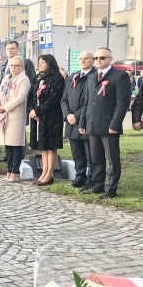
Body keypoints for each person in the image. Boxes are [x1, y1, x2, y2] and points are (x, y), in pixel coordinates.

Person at [79, 47, 131, 198]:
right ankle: (97, 185)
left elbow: (122, 103)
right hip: (93, 124)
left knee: (112, 159)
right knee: (96, 158)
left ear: (110, 59)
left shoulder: (119, 76)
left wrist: (115, 124)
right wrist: (83, 123)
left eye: (102, 58)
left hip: (109, 125)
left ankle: (111, 189)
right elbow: (87, 103)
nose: (99, 60)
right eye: (96, 58)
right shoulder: (91, 77)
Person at [28, 54, 65, 186]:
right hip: (37, 117)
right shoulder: (37, 78)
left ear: (50, 63)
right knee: (43, 146)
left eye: (43, 62)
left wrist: (38, 110)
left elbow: (54, 99)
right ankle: (43, 172)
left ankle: (49, 174)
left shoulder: (57, 78)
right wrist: (32, 110)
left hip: (51, 116)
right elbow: (31, 96)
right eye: (39, 62)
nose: (40, 65)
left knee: (51, 146)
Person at [0, 57, 31, 182]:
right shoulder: (7, 78)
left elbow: (20, 98)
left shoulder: (24, 79)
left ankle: (15, 171)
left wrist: (5, 107)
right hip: (3, 115)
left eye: (17, 66)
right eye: (12, 66)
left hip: (15, 114)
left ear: (22, 67)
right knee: (8, 145)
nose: (14, 68)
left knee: (15, 145)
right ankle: (9, 170)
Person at [61, 51, 95, 188]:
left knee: (90, 153)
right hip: (71, 121)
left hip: (86, 120)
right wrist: (67, 115)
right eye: (80, 58)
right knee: (76, 152)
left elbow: (90, 101)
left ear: (93, 60)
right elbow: (63, 99)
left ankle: (93, 179)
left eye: (86, 58)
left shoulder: (94, 77)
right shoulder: (72, 77)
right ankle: (80, 176)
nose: (82, 61)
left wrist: (76, 116)